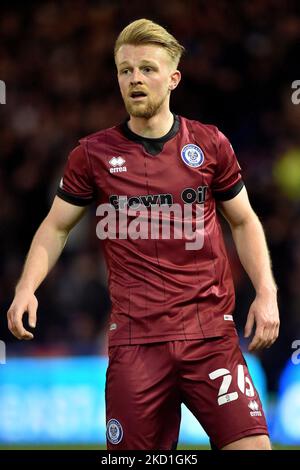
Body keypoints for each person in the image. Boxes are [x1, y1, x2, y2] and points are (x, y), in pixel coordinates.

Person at [7, 18, 280, 450]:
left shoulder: (209, 145)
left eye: (148, 69)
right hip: (136, 345)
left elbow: (243, 220)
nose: (135, 79)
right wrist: (27, 288)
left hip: (210, 337)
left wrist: (266, 292)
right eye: (125, 69)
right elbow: (55, 227)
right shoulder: (92, 156)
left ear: (173, 79)